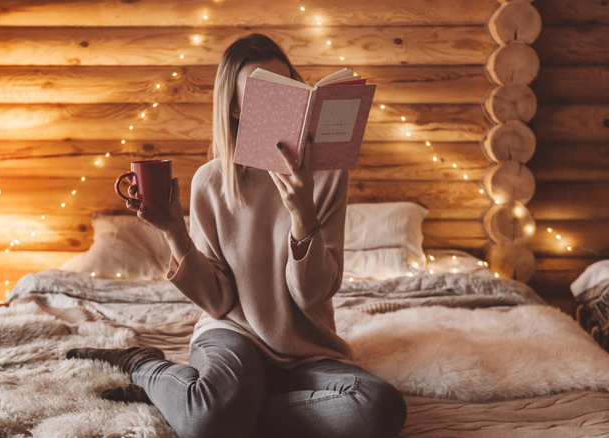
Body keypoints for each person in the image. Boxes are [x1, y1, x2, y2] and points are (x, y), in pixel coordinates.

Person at [67, 33, 407, 438]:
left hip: (305, 351)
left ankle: (214, 406)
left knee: (379, 408)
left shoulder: (329, 174)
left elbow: (313, 294)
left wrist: (303, 214)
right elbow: (217, 300)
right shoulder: (211, 181)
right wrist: (175, 230)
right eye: (263, 95)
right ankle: (143, 365)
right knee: (210, 417)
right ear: (234, 108)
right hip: (234, 336)